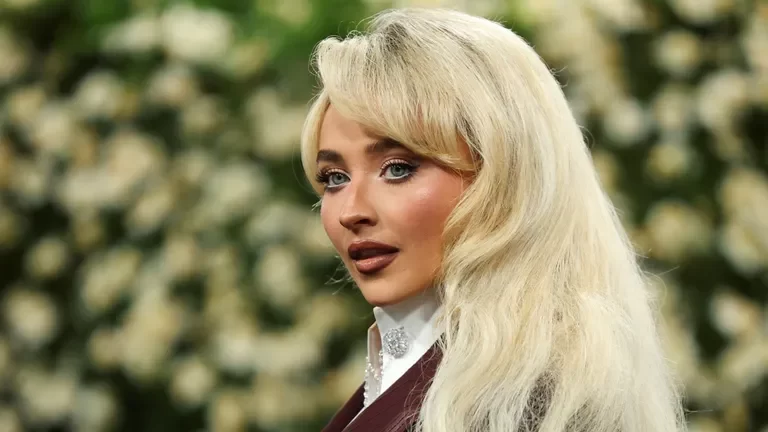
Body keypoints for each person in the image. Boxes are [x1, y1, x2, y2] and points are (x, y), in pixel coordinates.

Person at [300, 8, 687, 432]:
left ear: (504, 173)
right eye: (334, 178)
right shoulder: (423, 371)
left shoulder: (535, 406)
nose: (351, 211)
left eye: (397, 168)